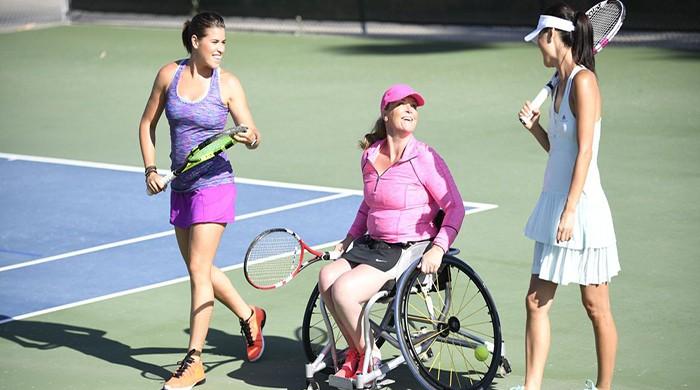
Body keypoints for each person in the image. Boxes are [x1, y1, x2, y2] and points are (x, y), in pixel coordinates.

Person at [138, 12, 265, 390]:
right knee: (202, 270)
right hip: (181, 187)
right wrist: (150, 169)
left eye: (224, 43)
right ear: (195, 41)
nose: (221, 49)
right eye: (215, 42)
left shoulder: (228, 84)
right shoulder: (168, 76)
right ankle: (249, 315)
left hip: (216, 184)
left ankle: (194, 360)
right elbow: (147, 123)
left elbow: (253, 131)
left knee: (197, 267)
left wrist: (249, 137)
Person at [318, 84, 466, 380]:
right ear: (386, 114)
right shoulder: (370, 156)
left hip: (407, 249)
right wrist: (348, 238)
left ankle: (366, 356)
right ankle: (359, 350)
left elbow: (455, 207)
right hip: (372, 244)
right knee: (327, 278)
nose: (411, 109)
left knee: (344, 291)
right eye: (403, 104)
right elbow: (368, 205)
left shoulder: (424, 157)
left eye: (415, 105)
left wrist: (438, 247)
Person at [513, 3, 620, 390]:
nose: (538, 49)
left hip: (582, 208)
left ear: (553, 38)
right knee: (535, 302)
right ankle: (532, 387)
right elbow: (561, 151)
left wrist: (571, 209)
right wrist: (536, 130)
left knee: (596, 307)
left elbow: (586, 152)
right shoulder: (557, 85)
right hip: (555, 202)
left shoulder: (584, 82)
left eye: (540, 41)